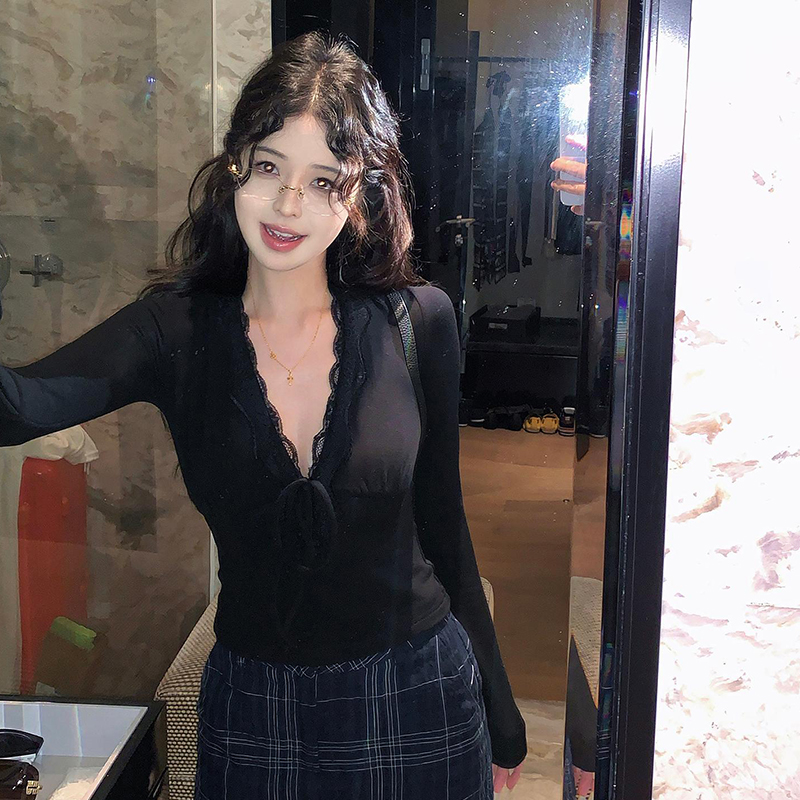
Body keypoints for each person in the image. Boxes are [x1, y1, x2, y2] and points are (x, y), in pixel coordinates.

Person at [0, 31, 527, 798]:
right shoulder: (172, 331)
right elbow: (17, 408)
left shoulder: (418, 321)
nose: (288, 204)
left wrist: (502, 712)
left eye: (323, 180)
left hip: (418, 697)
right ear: (234, 165)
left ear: (362, 190)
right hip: (254, 711)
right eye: (270, 166)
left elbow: (445, 525)